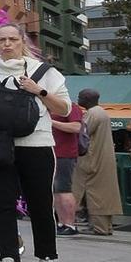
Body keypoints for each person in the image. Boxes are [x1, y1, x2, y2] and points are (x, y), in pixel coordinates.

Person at [0, 22, 71, 262]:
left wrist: (39, 91)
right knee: (2, 204)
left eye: (13, 39)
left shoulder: (45, 72)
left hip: (37, 145)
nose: (7, 44)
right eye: (2, 40)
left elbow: (65, 109)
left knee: (40, 204)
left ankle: (48, 259)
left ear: (22, 41)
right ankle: (9, 259)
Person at [74, 89, 119, 236]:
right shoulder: (101, 112)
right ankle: (104, 227)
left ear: (86, 99)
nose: (78, 99)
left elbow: (82, 133)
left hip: (93, 159)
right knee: (103, 193)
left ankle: (100, 228)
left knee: (96, 193)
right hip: (101, 157)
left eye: (80, 97)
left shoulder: (92, 114)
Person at [50, 97, 83, 236]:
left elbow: (76, 127)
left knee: (64, 189)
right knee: (56, 190)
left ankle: (70, 223)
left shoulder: (70, 107)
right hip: (52, 152)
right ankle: (61, 222)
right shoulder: (50, 107)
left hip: (65, 153)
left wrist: (51, 122)